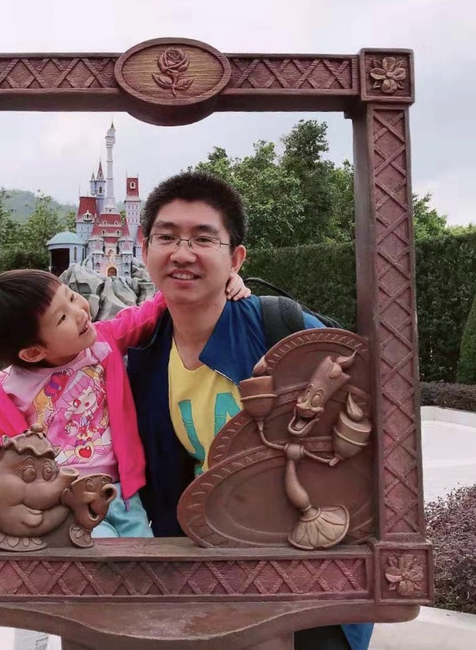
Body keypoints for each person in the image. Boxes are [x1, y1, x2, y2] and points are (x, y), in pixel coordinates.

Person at [126, 171, 373, 650]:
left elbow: (369, 398)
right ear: (144, 247)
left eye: (203, 239)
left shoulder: (280, 328)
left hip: (308, 567)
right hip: (202, 568)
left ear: (235, 258)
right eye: (167, 237)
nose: (182, 254)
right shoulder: (144, 356)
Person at [0, 267, 249, 539]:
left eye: (70, 297)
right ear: (33, 353)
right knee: (100, 553)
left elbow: (147, 313)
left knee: (142, 552)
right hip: (69, 501)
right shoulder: (8, 393)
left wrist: (214, 282)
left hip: (124, 494)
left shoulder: (102, 343)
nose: (79, 312)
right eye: (62, 317)